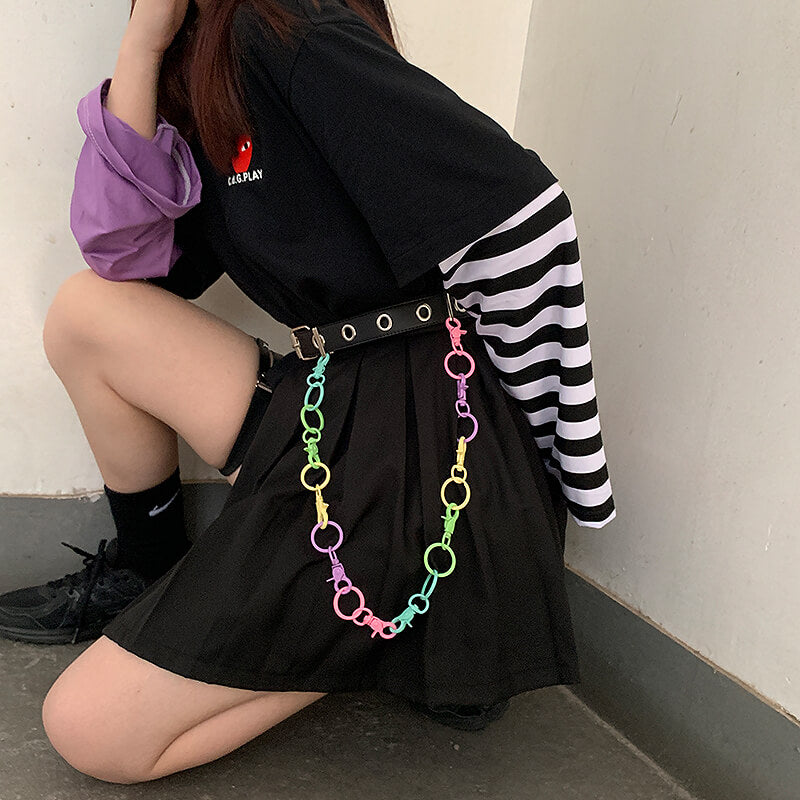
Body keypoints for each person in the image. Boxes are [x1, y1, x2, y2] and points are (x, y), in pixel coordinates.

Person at [1, 0, 615, 783]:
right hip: (330, 390)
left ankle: (433, 607)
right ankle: (147, 569)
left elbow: (527, 218)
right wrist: (144, 43)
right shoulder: (205, 64)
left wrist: (543, 473)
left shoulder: (286, 26)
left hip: (415, 432)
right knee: (87, 313)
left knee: (89, 730)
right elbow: (127, 262)